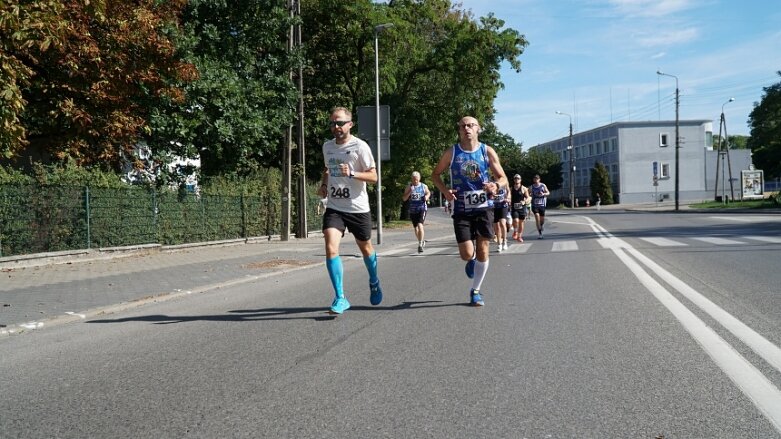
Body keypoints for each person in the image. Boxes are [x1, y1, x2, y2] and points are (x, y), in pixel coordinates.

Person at [432, 116, 508, 307]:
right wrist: (446, 193)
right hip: (461, 208)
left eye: (471, 125)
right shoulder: (452, 152)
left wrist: (496, 186)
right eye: (463, 126)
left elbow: (503, 177)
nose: (467, 128)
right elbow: (435, 175)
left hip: (484, 207)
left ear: (478, 129)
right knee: (467, 254)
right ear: (459, 130)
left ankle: (475, 290)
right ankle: (471, 259)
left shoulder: (486, 151)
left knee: (484, 249)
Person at [318, 107, 382, 314]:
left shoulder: (360, 147)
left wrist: (353, 173)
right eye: (333, 124)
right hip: (335, 207)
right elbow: (328, 169)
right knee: (330, 247)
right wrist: (324, 185)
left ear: (350, 124)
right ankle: (340, 297)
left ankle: (374, 280)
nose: (336, 127)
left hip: (358, 208)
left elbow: (374, 177)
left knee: (366, 249)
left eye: (340, 123)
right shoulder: (327, 147)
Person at [402, 171, 431, 253]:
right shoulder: (409, 187)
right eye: (414, 180)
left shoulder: (423, 186)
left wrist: (426, 196)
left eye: (417, 180)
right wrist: (410, 192)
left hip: (422, 208)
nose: (415, 181)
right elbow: (404, 198)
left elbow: (428, 192)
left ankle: (420, 244)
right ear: (411, 179)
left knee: (420, 225)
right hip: (412, 210)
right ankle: (421, 241)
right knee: (415, 228)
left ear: (419, 179)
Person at [510, 174, 530, 242]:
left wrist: (524, 201)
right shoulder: (511, 188)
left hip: (522, 208)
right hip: (514, 207)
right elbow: (509, 197)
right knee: (516, 220)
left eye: (518, 178)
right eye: (515, 178)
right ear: (514, 180)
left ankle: (519, 236)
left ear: (520, 180)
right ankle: (515, 231)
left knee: (521, 222)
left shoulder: (524, 188)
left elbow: (528, 197)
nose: (517, 179)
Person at [529, 174, 550, 239]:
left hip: (542, 204)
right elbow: (528, 194)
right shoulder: (531, 187)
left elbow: (548, 193)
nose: (536, 180)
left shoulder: (543, 185)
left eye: (537, 178)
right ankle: (540, 233)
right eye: (535, 178)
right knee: (537, 217)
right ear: (533, 180)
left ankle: (541, 225)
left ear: (539, 179)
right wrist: (530, 195)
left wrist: (544, 194)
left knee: (542, 220)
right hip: (535, 205)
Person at [492, 179, 509, 251]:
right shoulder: (491, 182)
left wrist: (508, 198)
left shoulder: (504, 181)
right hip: (494, 206)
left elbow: (508, 191)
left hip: (503, 206)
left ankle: (504, 241)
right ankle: (499, 244)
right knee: (496, 227)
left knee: (502, 223)